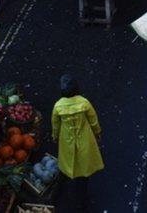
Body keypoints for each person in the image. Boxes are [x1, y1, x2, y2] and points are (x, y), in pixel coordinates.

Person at [52, 75, 103, 212]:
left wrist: (55, 136)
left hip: (66, 141)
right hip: (84, 140)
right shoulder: (84, 103)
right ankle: (82, 202)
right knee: (83, 174)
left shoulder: (58, 106)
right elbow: (93, 120)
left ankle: (56, 193)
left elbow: (55, 125)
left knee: (65, 164)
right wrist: (97, 133)